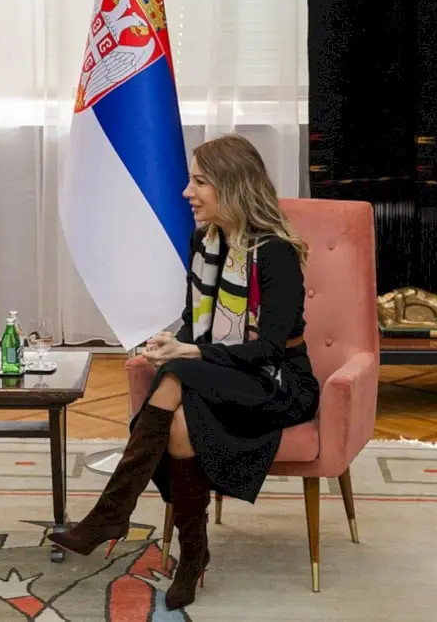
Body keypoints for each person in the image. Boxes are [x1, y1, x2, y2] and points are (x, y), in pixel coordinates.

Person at [48, 133, 320, 611]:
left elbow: (270, 348)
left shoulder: (275, 253)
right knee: (177, 420)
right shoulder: (205, 241)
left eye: (199, 182)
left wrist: (190, 353)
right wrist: (171, 342)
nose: (186, 192)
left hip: (277, 382)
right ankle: (192, 555)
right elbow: (198, 325)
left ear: (231, 185)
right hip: (221, 375)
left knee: (178, 374)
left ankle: (113, 514)